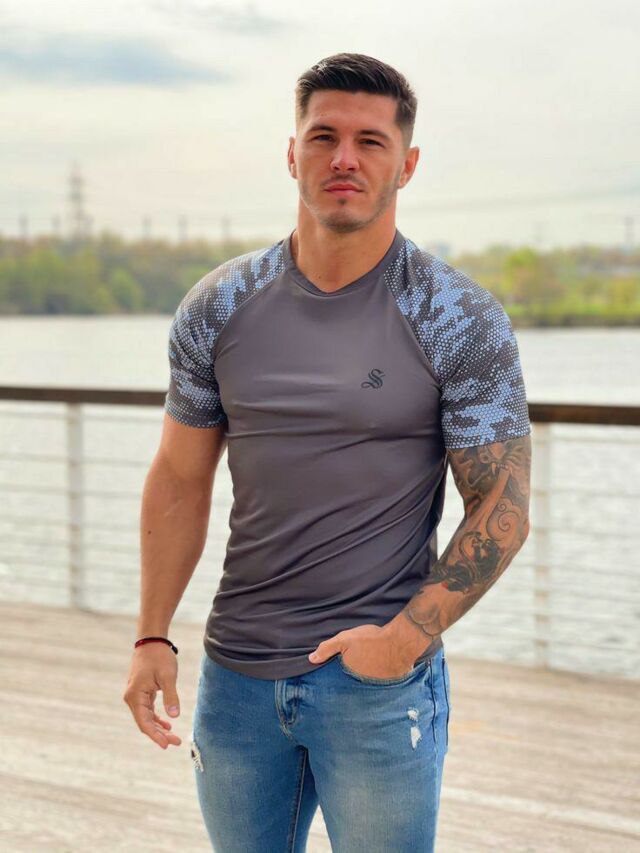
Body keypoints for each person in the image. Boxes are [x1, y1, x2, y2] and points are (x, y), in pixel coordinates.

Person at [124, 52, 532, 852]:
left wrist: (404, 641)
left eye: (371, 141)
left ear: (406, 164)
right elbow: (178, 478)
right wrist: (150, 636)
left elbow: (503, 505)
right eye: (324, 136)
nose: (345, 158)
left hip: (374, 688)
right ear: (292, 153)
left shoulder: (457, 315)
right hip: (237, 679)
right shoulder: (218, 306)